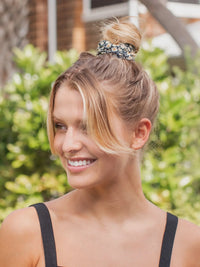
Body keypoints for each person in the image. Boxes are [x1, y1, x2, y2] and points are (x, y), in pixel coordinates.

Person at [0, 18, 200, 267]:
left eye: (89, 127)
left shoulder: (189, 245)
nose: (68, 145)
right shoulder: (27, 232)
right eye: (60, 126)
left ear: (139, 133)